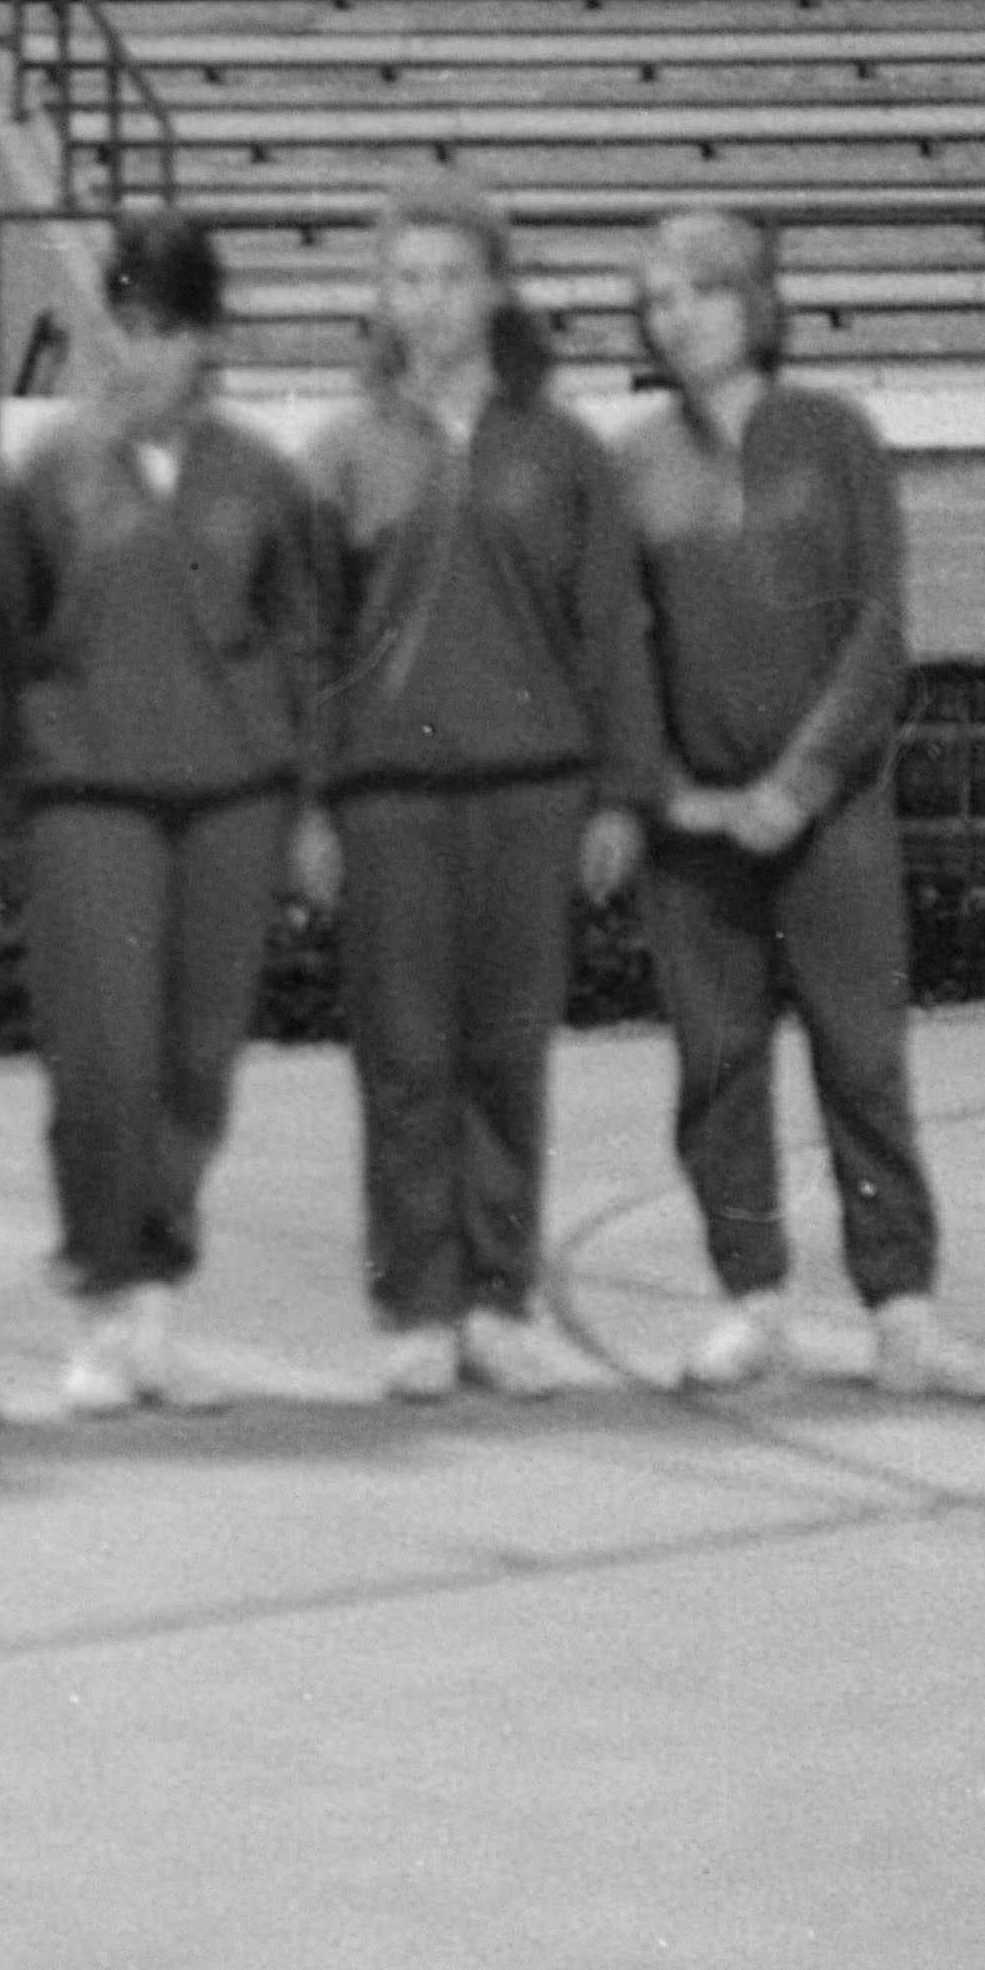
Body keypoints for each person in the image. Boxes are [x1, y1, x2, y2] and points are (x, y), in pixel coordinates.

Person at [615, 210, 985, 1404]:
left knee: (861, 1059)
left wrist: (796, 783)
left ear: (754, 301)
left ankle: (902, 1311)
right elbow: (616, 647)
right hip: (697, 829)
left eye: (695, 290)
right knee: (716, 1066)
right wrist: (676, 793)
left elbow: (877, 632)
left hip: (828, 809)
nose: (674, 314)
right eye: (653, 298)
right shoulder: (634, 463)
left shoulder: (833, 438)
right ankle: (749, 1302)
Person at [305, 180, 665, 1403]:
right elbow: (304, 641)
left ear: (495, 291)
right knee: (403, 1060)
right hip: (388, 798)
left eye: (453, 277)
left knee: (506, 1057)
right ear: (380, 298)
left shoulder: (561, 452)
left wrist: (618, 793)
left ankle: (499, 1301)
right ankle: (413, 1305)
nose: (430, 302)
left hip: (532, 793)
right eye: (406, 279)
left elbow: (610, 626)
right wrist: (308, 804)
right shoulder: (345, 451)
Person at [0, 208, 332, 1420]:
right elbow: (5, 638)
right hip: (91, 804)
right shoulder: (52, 474)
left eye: (167, 331)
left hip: (230, 800)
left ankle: (154, 1308)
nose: (141, 353)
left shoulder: (260, 478)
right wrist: (17, 795)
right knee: (102, 1063)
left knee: (196, 1065)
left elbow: (298, 642)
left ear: (208, 344)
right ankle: (97, 1300)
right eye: (124, 327)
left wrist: (305, 806)